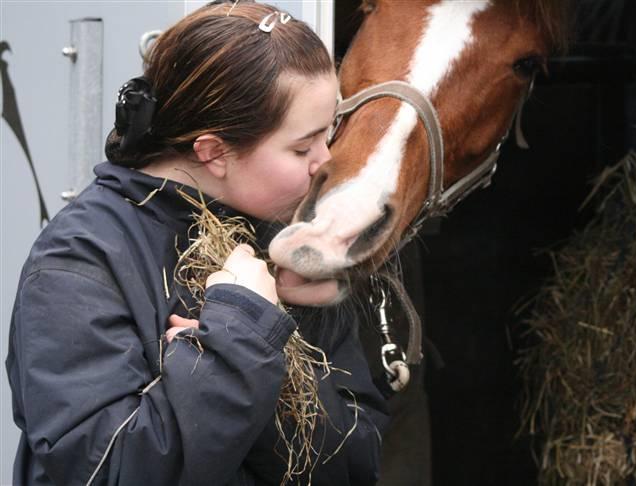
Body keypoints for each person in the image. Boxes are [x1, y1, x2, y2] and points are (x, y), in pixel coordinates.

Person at [5, 3, 388, 485]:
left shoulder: (283, 245)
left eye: (328, 134)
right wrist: (240, 336)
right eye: (301, 147)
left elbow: (358, 461)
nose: (325, 161)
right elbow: (105, 472)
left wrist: (267, 361)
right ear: (214, 151)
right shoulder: (79, 259)